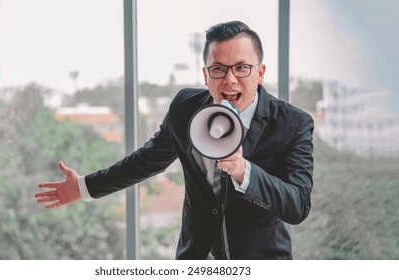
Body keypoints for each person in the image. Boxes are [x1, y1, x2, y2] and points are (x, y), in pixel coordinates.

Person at [35, 20, 314, 260]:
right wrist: (83, 188)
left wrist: (244, 171)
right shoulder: (185, 107)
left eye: (241, 68)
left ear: (260, 73)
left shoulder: (293, 123)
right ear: (206, 75)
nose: (229, 80)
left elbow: (297, 205)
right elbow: (147, 161)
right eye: (218, 69)